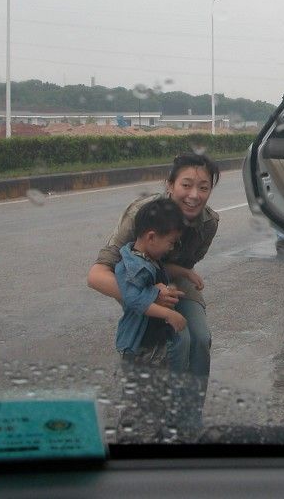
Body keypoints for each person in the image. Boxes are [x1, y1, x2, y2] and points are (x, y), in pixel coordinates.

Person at [87, 153, 221, 427]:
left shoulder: (208, 223)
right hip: (137, 279)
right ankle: (157, 415)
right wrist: (149, 297)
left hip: (171, 277)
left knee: (199, 338)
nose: (194, 195)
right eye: (186, 185)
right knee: (170, 341)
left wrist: (178, 278)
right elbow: (97, 275)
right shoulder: (143, 214)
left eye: (203, 187)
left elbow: (181, 266)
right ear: (170, 185)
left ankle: (188, 423)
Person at [114, 197, 186, 363]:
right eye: (171, 242)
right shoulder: (133, 266)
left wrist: (186, 273)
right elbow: (134, 299)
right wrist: (169, 314)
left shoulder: (149, 258)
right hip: (139, 347)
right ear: (151, 237)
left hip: (155, 341)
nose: (171, 248)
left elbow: (162, 274)